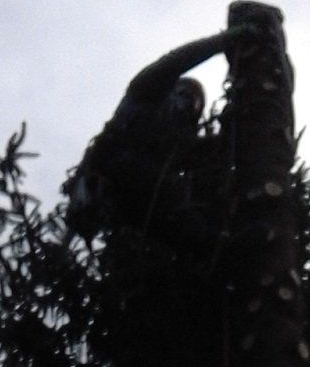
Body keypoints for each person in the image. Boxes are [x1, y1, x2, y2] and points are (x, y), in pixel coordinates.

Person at [65, 31, 232, 252]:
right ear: (170, 91)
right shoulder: (144, 96)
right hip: (112, 182)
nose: (186, 103)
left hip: (141, 206)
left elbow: (217, 151)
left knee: (202, 235)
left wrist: (235, 118)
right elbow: (173, 62)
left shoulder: (180, 143)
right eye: (182, 93)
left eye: (193, 103)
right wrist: (220, 42)